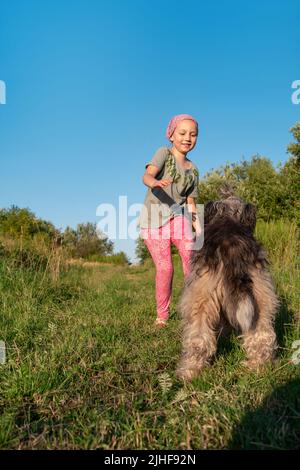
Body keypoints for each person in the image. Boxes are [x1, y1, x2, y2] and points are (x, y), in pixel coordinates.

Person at [138, 114, 202, 328]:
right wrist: (154, 182)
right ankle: (162, 316)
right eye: (182, 133)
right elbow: (146, 176)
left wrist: (200, 231)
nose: (187, 138)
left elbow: (191, 204)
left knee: (191, 259)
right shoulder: (163, 153)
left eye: (193, 134)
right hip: (153, 220)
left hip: (178, 215)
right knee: (165, 268)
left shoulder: (193, 170)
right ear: (171, 134)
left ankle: (195, 309)